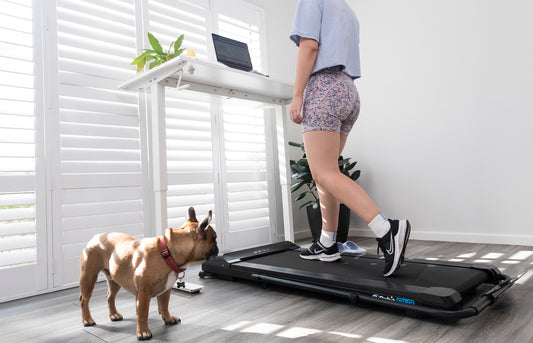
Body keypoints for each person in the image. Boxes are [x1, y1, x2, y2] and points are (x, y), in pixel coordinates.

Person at [289, 0, 410, 277]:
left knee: (324, 171)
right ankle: (327, 243)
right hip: (348, 91)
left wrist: (297, 95)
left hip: (323, 89)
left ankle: (387, 229)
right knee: (325, 175)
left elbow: (309, 47)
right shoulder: (346, 10)